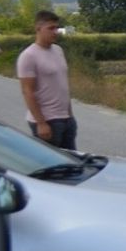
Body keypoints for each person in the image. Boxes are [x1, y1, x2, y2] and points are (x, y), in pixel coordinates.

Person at [17, 10, 77, 149]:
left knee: (71, 160)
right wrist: (41, 123)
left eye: (56, 28)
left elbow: (62, 84)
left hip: (66, 119)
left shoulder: (58, 50)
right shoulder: (29, 56)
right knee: (51, 161)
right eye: (51, 28)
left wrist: (70, 115)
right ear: (38, 28)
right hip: (48, 120)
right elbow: (27, 91)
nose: (55, 32)